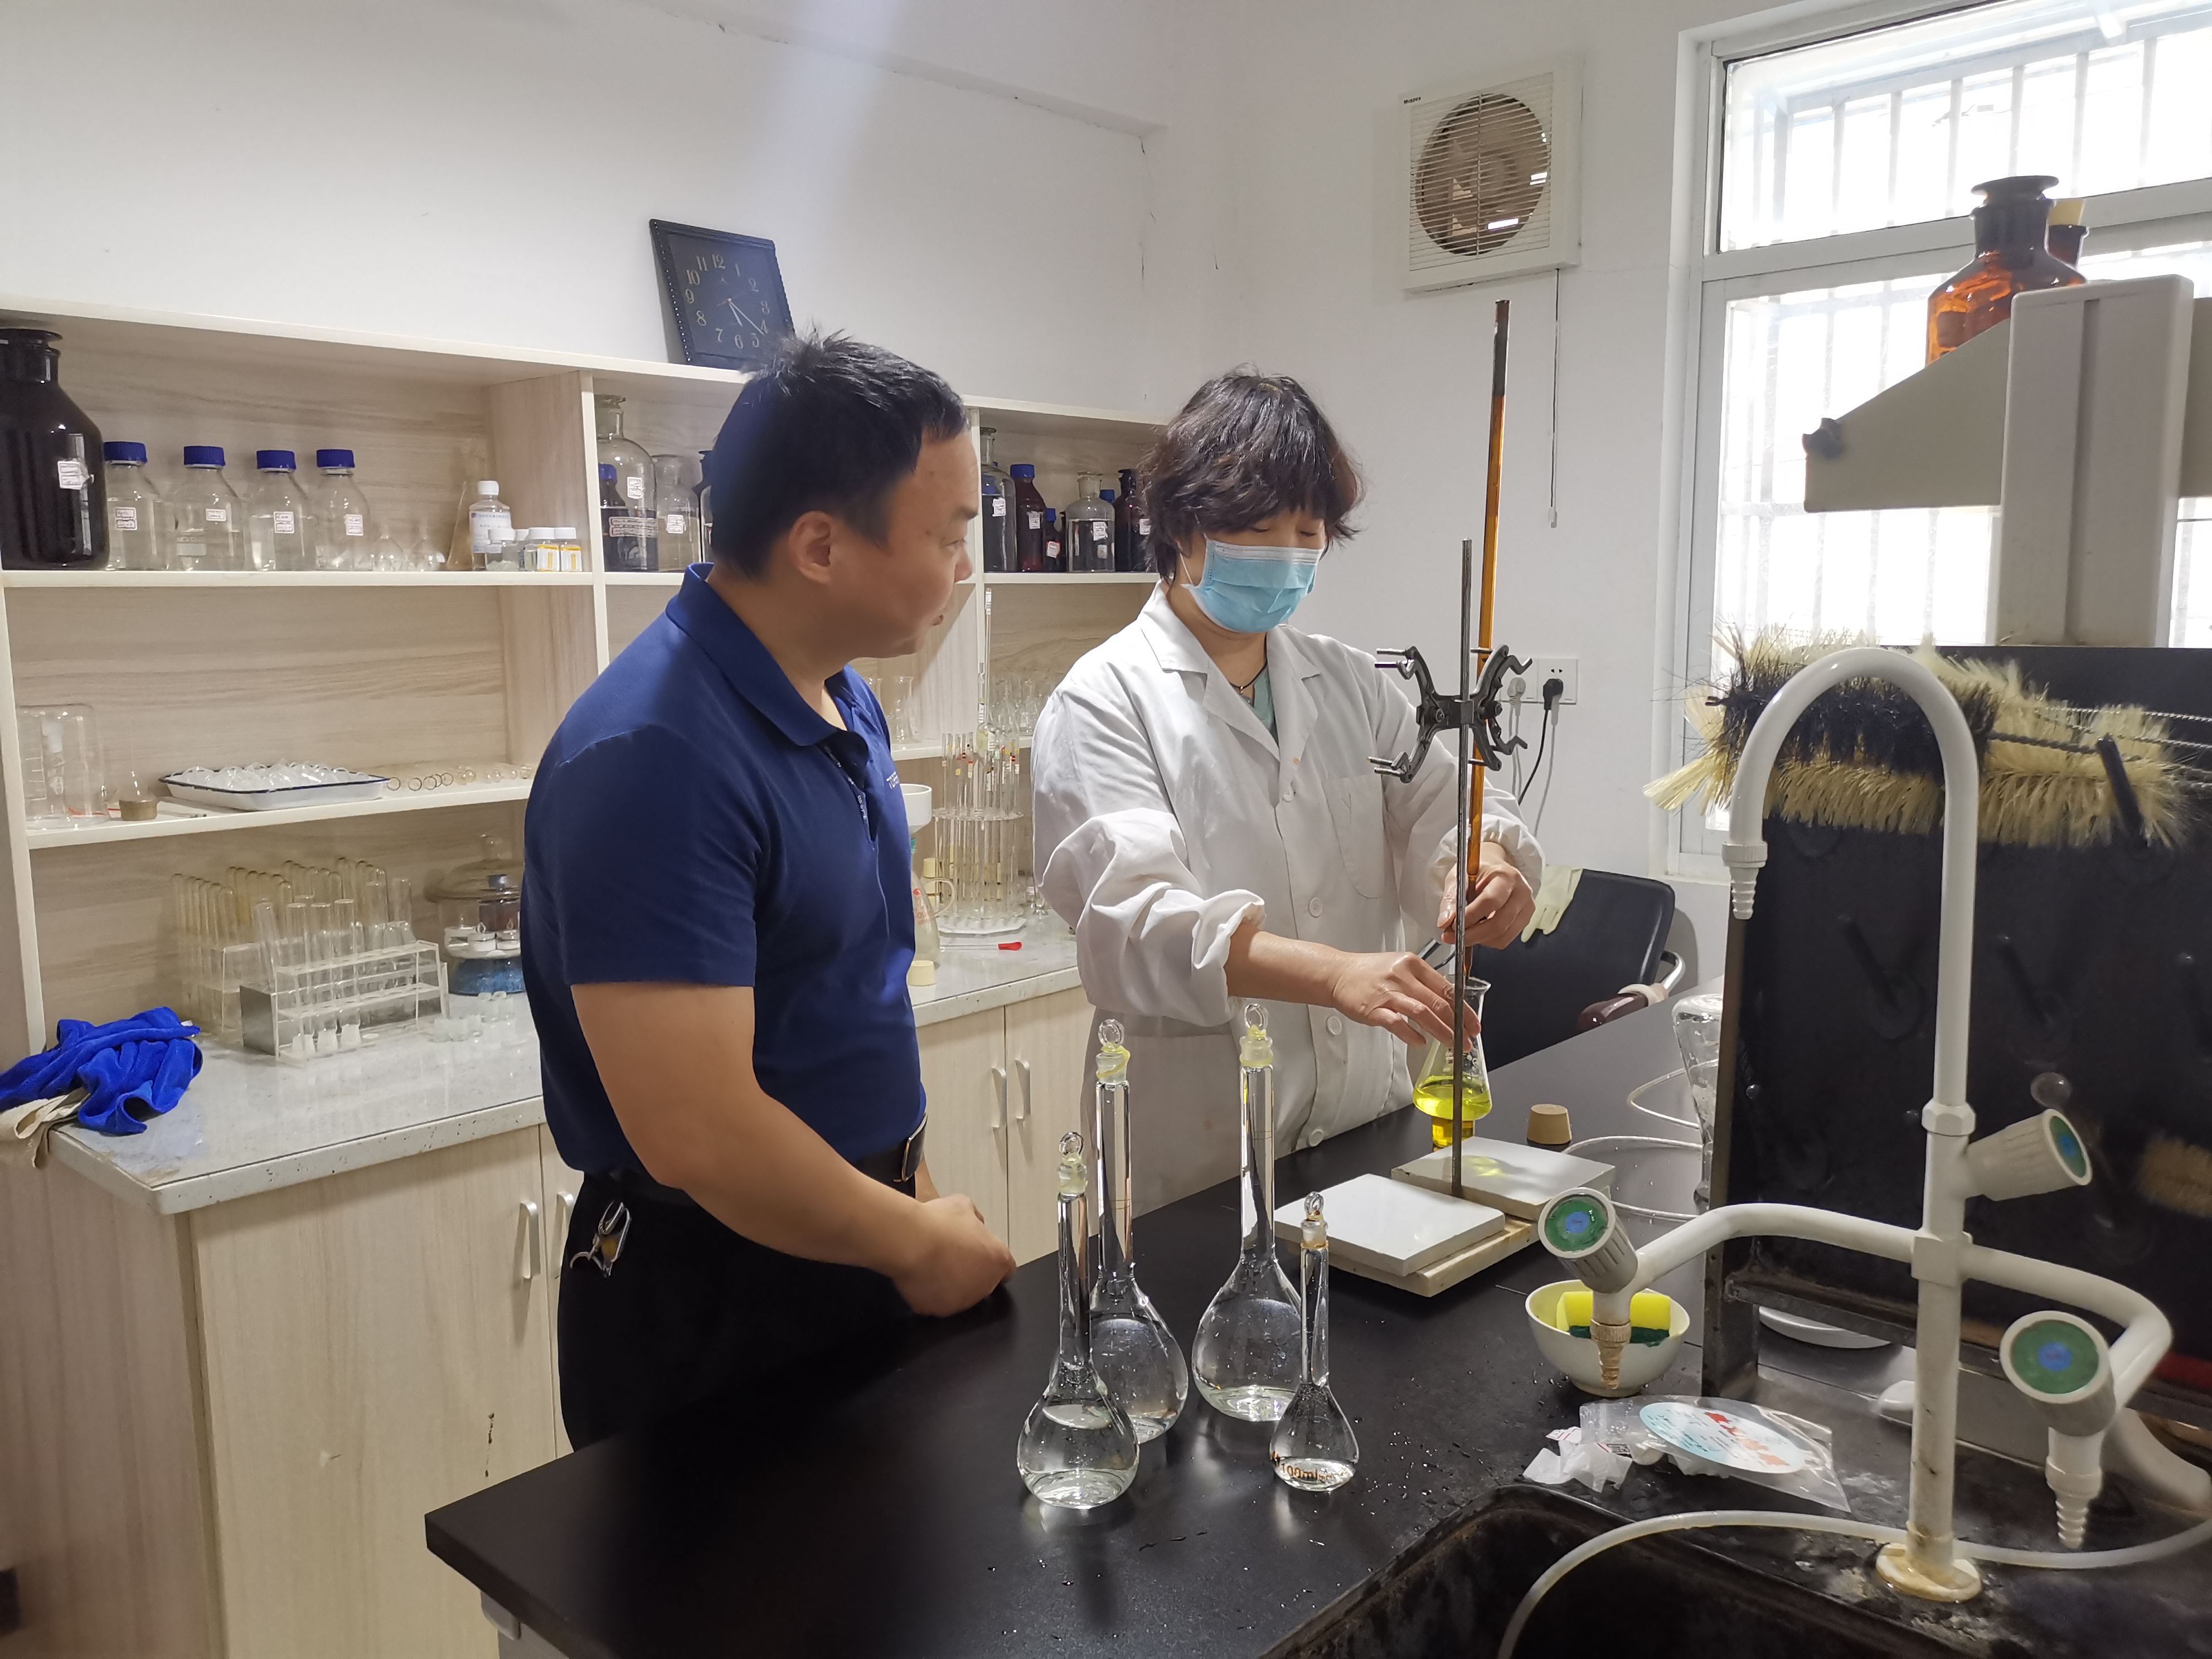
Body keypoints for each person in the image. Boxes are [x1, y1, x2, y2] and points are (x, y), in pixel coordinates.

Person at [523, 333, 1015, 1449]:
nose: (961, 569)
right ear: (820, 545)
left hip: (850, 1232)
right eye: (946, 538)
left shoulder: (839, 693)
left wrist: (909, 1197)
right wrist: (913, 1243)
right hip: (717, 1289)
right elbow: (698, 1131)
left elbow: (843, 1002)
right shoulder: (656, 754)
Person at [1030, 371, 1542, 1214]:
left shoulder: (1351, 682)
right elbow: (1138, 929)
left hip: (1368, 1127)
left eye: (1308, 532)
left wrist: (1482, 865)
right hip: (1205, 1159)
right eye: (1259, 528)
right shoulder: (1104, 700)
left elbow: (1442, 807)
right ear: (1182, 527)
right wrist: (1335, 975)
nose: (1287, 553)